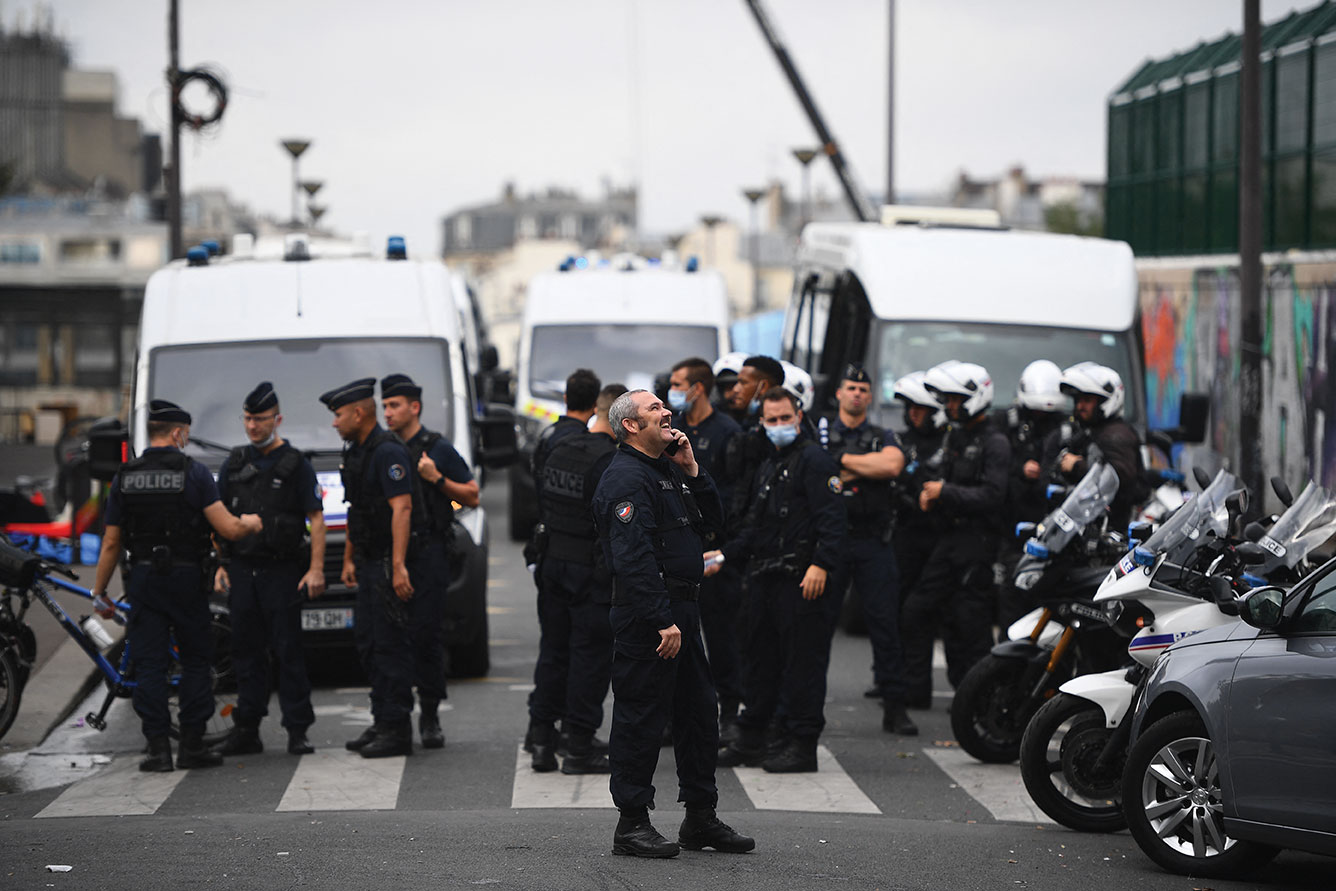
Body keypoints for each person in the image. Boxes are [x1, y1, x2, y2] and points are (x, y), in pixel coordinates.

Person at [592, 389, 753, 858]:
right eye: (655, 409)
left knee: (700, 715)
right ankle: (632, 824)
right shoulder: (624, 477)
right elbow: (632, 556)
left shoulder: (666, 470)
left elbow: (715, 524)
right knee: (641, 717)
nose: (667, 412)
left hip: (682, 611)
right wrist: (661, 619)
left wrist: (691, 469)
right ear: (629, 426)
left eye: (665, 406)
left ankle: (700, 817)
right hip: (650, 614)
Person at [90, 399, 262, 772]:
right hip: (186, 579)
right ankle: (191, 746)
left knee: (150, 665)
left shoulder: (125, 476)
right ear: (178, 432)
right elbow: (227, 528)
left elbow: (110, 542)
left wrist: (99, 591)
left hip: (145, 580)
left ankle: (156, 750)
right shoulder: (194, 474)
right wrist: (250, 521)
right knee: (197, 661)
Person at [712, 387, 846, 773]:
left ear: (799, 417)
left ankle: (801, 744)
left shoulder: (815, 461)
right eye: (771, 420)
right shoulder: (771, 463)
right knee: (759, 662)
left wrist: (821, 564)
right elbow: (757, 526)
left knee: (802, 666)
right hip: (764, 577)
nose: (778, 425)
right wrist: (725, 555)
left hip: (800, 579)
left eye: (785, 418)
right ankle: (753, 737)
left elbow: (833, 522)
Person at [211, 382, 327, 758]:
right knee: (245, 652)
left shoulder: (296, 464)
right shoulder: (234, 462)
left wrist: (316, 569)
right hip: (244, 570)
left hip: (282, 571)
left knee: (288, 650)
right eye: (247, 419)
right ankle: (247, 729)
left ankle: (297, 729)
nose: (252, 426)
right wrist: (221, 564)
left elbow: (316, 520)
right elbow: (219, 517)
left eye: (260, 419)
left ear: (277, 420)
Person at [900, 361, 1011, 709]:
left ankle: (975, 700)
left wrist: (944, 492)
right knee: (917, 610)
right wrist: (927, 494)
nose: (948, 406)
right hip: (947, 541)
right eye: (946, 399)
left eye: (955, 399)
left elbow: (993, 496)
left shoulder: (995, 443)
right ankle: (916, 690)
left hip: (976, 545)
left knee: (970, 625)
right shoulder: (955, 436)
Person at [818, 364, 917, 737]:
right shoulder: (822, 430)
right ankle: (808, 708)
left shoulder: (881, 434)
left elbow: (892, 465)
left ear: (870, 396)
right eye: (851, 387)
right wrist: (865, 468)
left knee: (885, 626)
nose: (857, 393)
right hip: (832, 541)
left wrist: (842, 462)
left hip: (874, 541)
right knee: (819, 624)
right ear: (839, 393)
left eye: (863, 388)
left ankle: (895, 708)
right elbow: (819, 469)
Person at [381, 372, 480, 750]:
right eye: (385, 405)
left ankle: (430, 715)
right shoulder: (385, 448)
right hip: (392, 554)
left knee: (427, 635)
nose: (387, 412)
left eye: (394, 405)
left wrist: (437, 479)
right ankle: (391, 717)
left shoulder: (435, 447)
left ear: (414, 407)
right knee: (390, 638)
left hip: (429, 554)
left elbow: (472, 495)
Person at [526, 379, 620, 774]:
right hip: (587, 572)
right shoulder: (607, 461)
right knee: (590, 659)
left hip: (552, 566)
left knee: (553, 653)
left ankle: (542, 738)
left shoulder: (559, 448)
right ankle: (579, 745)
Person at [322, 377, 418, 758]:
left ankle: (396, 730)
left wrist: (397, 566)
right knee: (369, 645)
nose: (335, 422)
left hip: (383, 562)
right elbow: (356, 509)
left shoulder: (387, 451)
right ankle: (382, 720)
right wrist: (347, 557)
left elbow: (402, 508)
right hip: (366, 561)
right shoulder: (359, 450)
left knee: (389, 647)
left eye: (339, 415)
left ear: (359, 413)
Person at [668, 357, 744, 734]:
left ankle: (729, 713)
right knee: (678, 639)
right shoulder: (673, 430)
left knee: (722, 638)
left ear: (698, 388)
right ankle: (677, 717)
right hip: (681, 549)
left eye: (679, 383)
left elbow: (734, 497)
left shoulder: (728, 432)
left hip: (714, 551)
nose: (673, 388)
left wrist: (723, 549)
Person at [996, 360, 1068, 628]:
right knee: (1013, 595)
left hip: (1052, 522)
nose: (1042, 418)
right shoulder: (1006, 424)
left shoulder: (1066, 428)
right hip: (1013, 523)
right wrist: (1018, 467)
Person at [1043, 362, 1146, 532]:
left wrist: (1077, 466)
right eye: (1078, 400)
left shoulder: (1116, 435)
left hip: (1111, 530)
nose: (1080, 406)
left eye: (1087, 400)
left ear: (1106, 401)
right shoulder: (1086, 432)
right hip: (1081, 525)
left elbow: (1118, 478)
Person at [889, 371, 948, 636]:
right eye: (909, 407)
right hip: (905, 532)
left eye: (920, 408)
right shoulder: (899, 441)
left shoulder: (949, 442)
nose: (913, 413)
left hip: (939, 533)